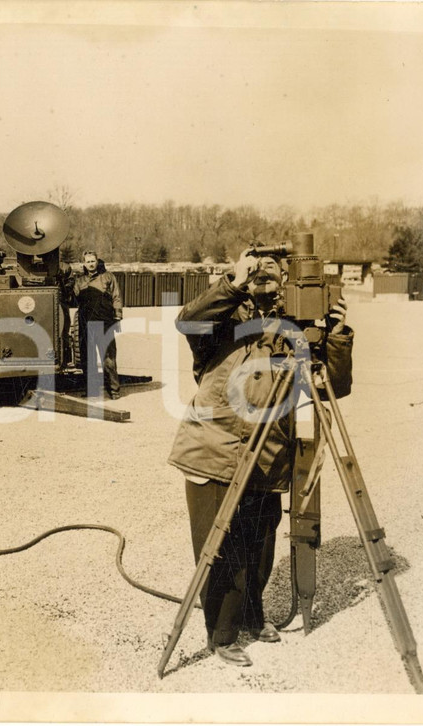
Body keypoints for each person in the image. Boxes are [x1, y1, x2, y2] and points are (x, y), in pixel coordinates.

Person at [168, 249, 354, 667]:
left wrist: (337, 333)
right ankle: (222, 634)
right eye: (257, 266)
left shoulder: (298, 325)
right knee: (221, 546)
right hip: (213, 449)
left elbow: (334, 387)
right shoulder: (224, 319)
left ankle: (252, 616)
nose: (265, 271)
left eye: (274, 267)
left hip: (269, 453)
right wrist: (234, 284)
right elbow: (187, 320)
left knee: (260, 544)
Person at [72, 251, 123, 398]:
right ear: (84, 264)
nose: (91, 264)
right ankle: (92, 390)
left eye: (93, 261)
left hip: (104, 322)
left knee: (108, 358)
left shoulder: (108, 277)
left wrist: (117, 316)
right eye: (88, 262)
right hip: (85, 324)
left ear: (97, 261)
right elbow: (73, 299)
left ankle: (114, 390)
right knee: (88, 359)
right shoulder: (79, 281)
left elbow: (116, 297)